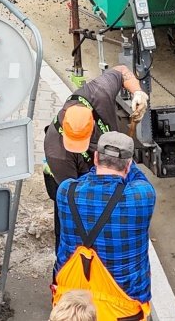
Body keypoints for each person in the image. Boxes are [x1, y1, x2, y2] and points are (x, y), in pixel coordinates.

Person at [53, 132, 156, 321]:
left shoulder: (66, 191)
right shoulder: (142, 196)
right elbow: (137, 178)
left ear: (95, 158)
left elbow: (86, 179)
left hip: (73, 309)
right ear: (128, 165)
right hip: (123, 312)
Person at [44, 65, 149, 240]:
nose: (78, 148)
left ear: (92, 126)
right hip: (72, 181)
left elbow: (122, 71)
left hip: (103, 172)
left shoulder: (98, 93)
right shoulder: (57, 151)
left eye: (81, 143)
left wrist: (138, 92)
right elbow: (75, 200)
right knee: (71, 232)